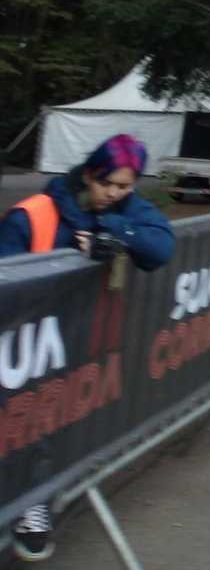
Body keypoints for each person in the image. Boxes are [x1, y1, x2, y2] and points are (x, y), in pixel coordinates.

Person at [0, 134, 175, 563]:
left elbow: (160, 247)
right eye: (107, 184)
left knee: (40, 422)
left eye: (124, 187)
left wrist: (112, 231)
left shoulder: (123, 210)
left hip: (64, 339)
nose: (114, 194)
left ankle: (32, 504)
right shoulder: (33, 214)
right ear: (89, 174)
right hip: (17, 339)